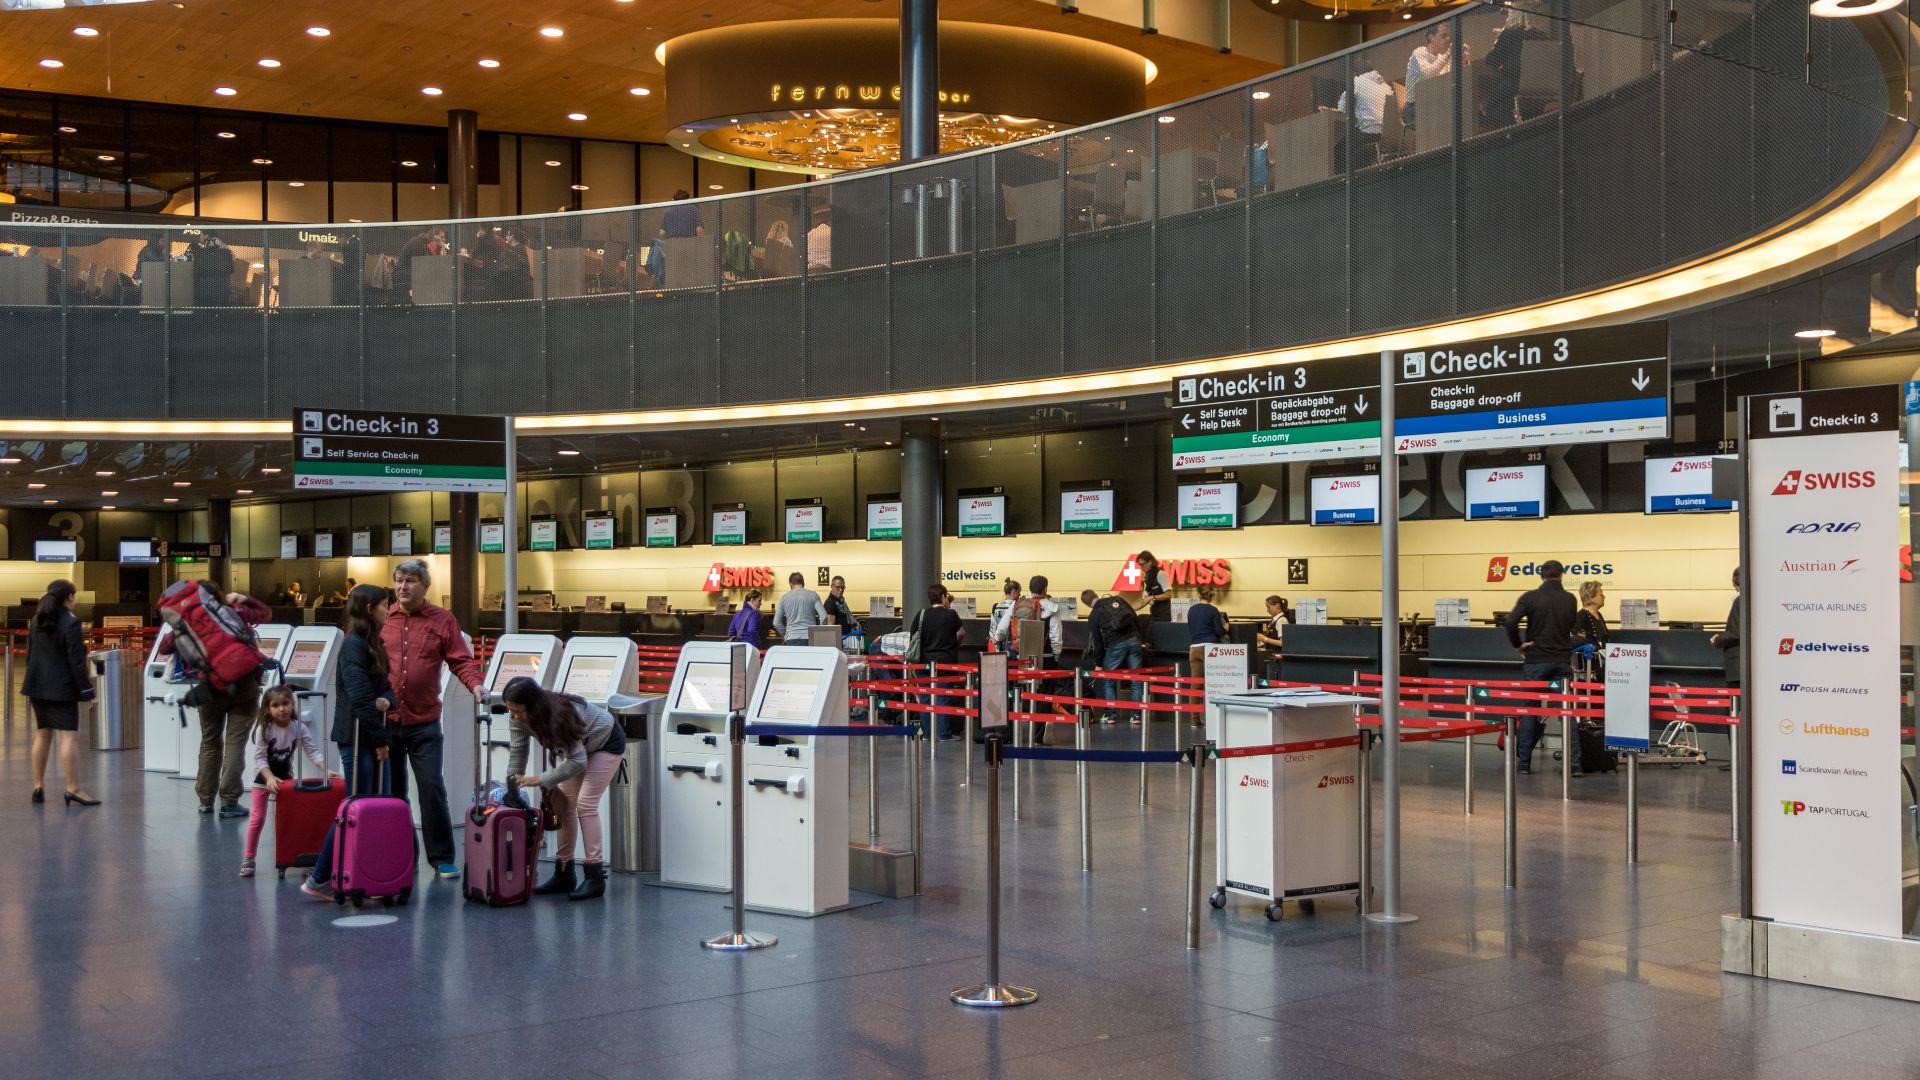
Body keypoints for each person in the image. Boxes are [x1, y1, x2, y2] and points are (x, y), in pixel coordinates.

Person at [381, 560, 485, 880]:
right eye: (398, 580)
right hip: (387, 721)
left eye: (410, 581)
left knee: (431, 788)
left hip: (424, 721)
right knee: (393, 792)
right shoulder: (382, 618)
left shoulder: (443, 620)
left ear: (425, 586)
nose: (403, 587)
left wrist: (476, 685)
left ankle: (441, 857)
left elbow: (460, 660)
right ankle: (401, 853)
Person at [303, 583, 395, 900]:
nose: (388, 610)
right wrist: (381, 739)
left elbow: (383, 689)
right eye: (384, 605)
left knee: (363, 807)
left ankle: (357, 872)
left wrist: (387, 701)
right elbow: (359, 696)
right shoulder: (355, 645)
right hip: (357, 738)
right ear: (370, 609)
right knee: (354, 808)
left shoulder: (371, 643)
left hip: (365, 735)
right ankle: (319, 878)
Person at [502, 676, 625, 901]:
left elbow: (578, 762)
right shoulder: (517, 718)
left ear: (534, 705)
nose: (515, 716)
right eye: (511, 711)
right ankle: (564, 873)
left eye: (519, 711)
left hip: (606, 741)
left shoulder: (559, 716)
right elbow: (518, 751)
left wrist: (540, 779)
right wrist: (511, 786)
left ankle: (595, 876)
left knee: (585, 804)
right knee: (565, 805)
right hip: (579, 748)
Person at [167, 585, 270, 817]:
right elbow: (264, 612)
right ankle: (229, 802)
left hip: (210, 688)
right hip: (244, 687)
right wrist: (244, 599)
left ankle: (205, 800)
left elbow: (166, 646)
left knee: (210, 742)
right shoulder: (234, 612)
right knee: (235, 744)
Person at [240, 685, 332, 878]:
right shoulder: (263, 730)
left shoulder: (298, 727)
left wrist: (325, 769)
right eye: (275, 705)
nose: (282, 709)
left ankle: (298, 856)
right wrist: (269, 778)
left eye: (285, 703)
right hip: (263, 778)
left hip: (286, 780)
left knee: (294, 819)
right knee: (257, 818)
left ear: (292, 704)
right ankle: (249, 859)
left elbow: (311, 750)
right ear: (268, 708)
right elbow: (260, 759)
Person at [24, 579, 99, 808]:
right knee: (68, 737)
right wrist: (88, 691)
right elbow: (76, 662)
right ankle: (73, 787)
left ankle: (38, 785)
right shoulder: (71, 622)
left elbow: (30, 655)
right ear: (69, 597)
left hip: (37, 685)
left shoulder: (37, 619)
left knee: (43, 734)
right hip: (62, 688)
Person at [1503, 559, 1579, 775]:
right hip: (1562, 661)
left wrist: (1519, 645)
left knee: (1530, 711)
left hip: (1536, 662)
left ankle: (1524, 763)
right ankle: (1574, 765)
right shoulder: (1570, 599)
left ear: (1541, 576)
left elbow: (1510, 622)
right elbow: (1570, 626)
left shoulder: (1530, 597)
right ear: (1562, 575)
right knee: (1568, 712)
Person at [995, 575, 1063, 745]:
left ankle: (1009, 734)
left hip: (1019, 657)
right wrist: (1055, 656)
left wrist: (998, 639)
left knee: (1014, 694)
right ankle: (1038, 736)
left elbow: (1002, 629)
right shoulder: (1052, 608)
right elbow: (1055, 637)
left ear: (1030, 589)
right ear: (1045, 589)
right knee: (1042, 696)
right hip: (1044, 657)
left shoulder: (1018, 605)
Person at [910, 585, 965, 740]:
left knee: (926, 698)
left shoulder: (921, 615)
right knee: (943, 697)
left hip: (923, 663)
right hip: (945, 663)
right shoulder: (951, 614)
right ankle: (943, 734)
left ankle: (926, 733)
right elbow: (961, 633)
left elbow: (913, 637)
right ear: (942, 597)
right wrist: (954, 645)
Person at [1089, 590, 1146, 725]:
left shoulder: (1093, 615)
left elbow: (1098, 642)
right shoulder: (1117, 599)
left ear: (1088, 604)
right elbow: (1133, 615)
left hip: (1116, 645)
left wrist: (1098, 663)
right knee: (1136, 679)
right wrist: (1139, 638)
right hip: (1134, 639)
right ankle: (1136, 716)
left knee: (1109, 679)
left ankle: (1110, 715)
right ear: (1097, 595)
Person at [1337, 57, 1393, 167]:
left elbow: (1342, 107)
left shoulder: (1358, 82)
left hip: (1369, 133)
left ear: (1355, 73)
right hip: (1388, 134)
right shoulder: (1386, 87)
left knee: (1338, 148)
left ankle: (1344, 180)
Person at [1403, 22, 1455, 130]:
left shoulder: (1442, 58)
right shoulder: (1419, 52)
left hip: (1435, 105)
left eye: (1449, 36)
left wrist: (1463, 61)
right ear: (1431, 37)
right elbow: (1428, 75)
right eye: (1444, 36)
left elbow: (1448, 81)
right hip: (1416, 108)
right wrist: (1449, 54)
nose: (1448, 39)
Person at [773, 572, 829, 644]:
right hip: (810, 638)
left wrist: (786, 634)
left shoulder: (784, 598)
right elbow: (824, 616)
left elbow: (776, 623)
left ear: (790, 583)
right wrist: (818, 634)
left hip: (791, 638)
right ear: (803, 582)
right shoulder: (813, 595)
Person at [1711, 567, 1741, 688]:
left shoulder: (1740, 601)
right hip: (1750, 666)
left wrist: (1718, 639)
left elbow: (1737, 633)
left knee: (1736, 704)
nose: (1734, 588)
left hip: (1737, 666)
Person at [1572, 580, 1609, 674]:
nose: (1604, 597)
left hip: (1602, 661)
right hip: (1589, 665)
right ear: (1591, 598)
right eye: (1601, 594)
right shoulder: (1581, 616)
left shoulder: (1598, 615)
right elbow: (1575, 639)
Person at [1256, 595, 1292, 679]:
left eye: (1268, 607)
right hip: (1271, 657)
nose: (1267, 610)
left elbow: (1283, 643)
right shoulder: (1274, 620)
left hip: (1277, 659)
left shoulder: (1281, 621)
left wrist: (1264, 639)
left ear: (1277, 605)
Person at [1135, 550, 1172, 623]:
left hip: (1163, 617)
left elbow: (1169, 594)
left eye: (1143, 564)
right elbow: (1145, 601)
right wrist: (1130, 609)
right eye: (1139, 565)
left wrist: (1152, 597)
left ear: (1150, 562)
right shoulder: (1147, 578)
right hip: (1154, 614)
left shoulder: (1161, 574)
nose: (1141, 567)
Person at [989, 579, 1023, 651]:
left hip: (998, 647)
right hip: (1013, 647)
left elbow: (992, 630)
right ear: (1013, 592)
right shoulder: (1017, 606)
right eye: (1019, 592)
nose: (1020, 595)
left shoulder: (995, 606)